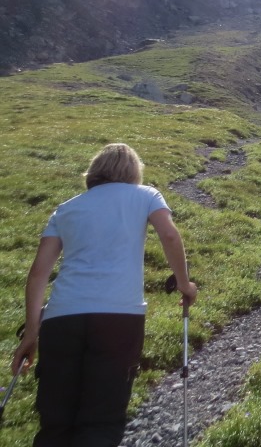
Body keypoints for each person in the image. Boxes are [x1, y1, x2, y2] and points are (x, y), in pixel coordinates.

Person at [9, 143, 198, 447]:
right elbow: (170, 234)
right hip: (118, 316)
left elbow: (38, 274)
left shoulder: (67, 208)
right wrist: (185, 284)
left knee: (56, 421)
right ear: (133, 172)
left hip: (61, 318)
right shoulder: (146, 196)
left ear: (94, 171)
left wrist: (31, 333)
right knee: (101, 420)